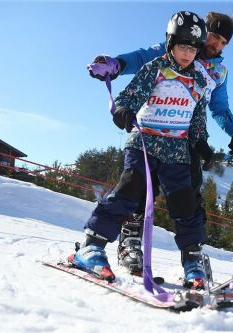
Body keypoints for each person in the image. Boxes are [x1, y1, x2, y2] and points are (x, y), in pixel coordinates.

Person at [87, 12, 233, 283]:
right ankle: (129, 243)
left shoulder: (217, 72)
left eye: (224, 42)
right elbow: (141, 59)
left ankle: (194, 257)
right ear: (200, 31)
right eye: (214, 36)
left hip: (185, 141)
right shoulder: (173, 51)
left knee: (189, 198)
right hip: (150, 132)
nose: (217, 45)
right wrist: (116, 65)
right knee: (136, 189)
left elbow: (218, 108)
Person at [71, 11, 211, 286]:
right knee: (130, 192)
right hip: (144, 142)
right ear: (170, 43)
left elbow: (197, 117)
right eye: (182, 45)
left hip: (176, 151)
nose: (187, 53)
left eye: (193, 47)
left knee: (185, 203)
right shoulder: (156, 68)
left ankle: (193, 260)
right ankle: (91, 246)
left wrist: (202, 142)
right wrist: (123, 109)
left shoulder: (200, 80)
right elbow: (129, 95)